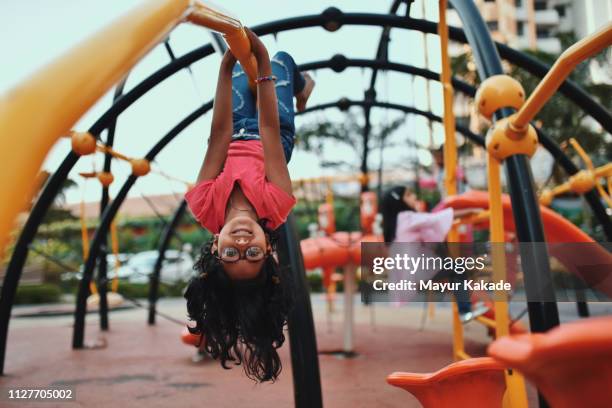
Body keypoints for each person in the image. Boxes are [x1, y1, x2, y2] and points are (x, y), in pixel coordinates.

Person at [183, 29, 315, 382]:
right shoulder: (276, 204)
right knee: (282, 60)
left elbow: (218, 138)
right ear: (269, 249)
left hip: (234, 130)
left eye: (231, 255)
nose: (242, 245)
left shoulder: (205, 206)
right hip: (273, 133)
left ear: (215, 247)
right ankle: (303, 88)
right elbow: (270, 128)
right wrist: (266, 67)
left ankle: (290, 82)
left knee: (243, 66)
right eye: (252, 255)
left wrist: (225, 69)